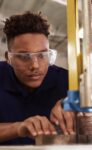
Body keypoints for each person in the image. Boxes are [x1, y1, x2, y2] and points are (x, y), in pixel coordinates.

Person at [0, 11, 68, 145]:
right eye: (24, 56)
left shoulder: (66, 80)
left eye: (42, 55)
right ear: (9, 58)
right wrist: (18, 128)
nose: (35, 66)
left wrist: (75, 108)